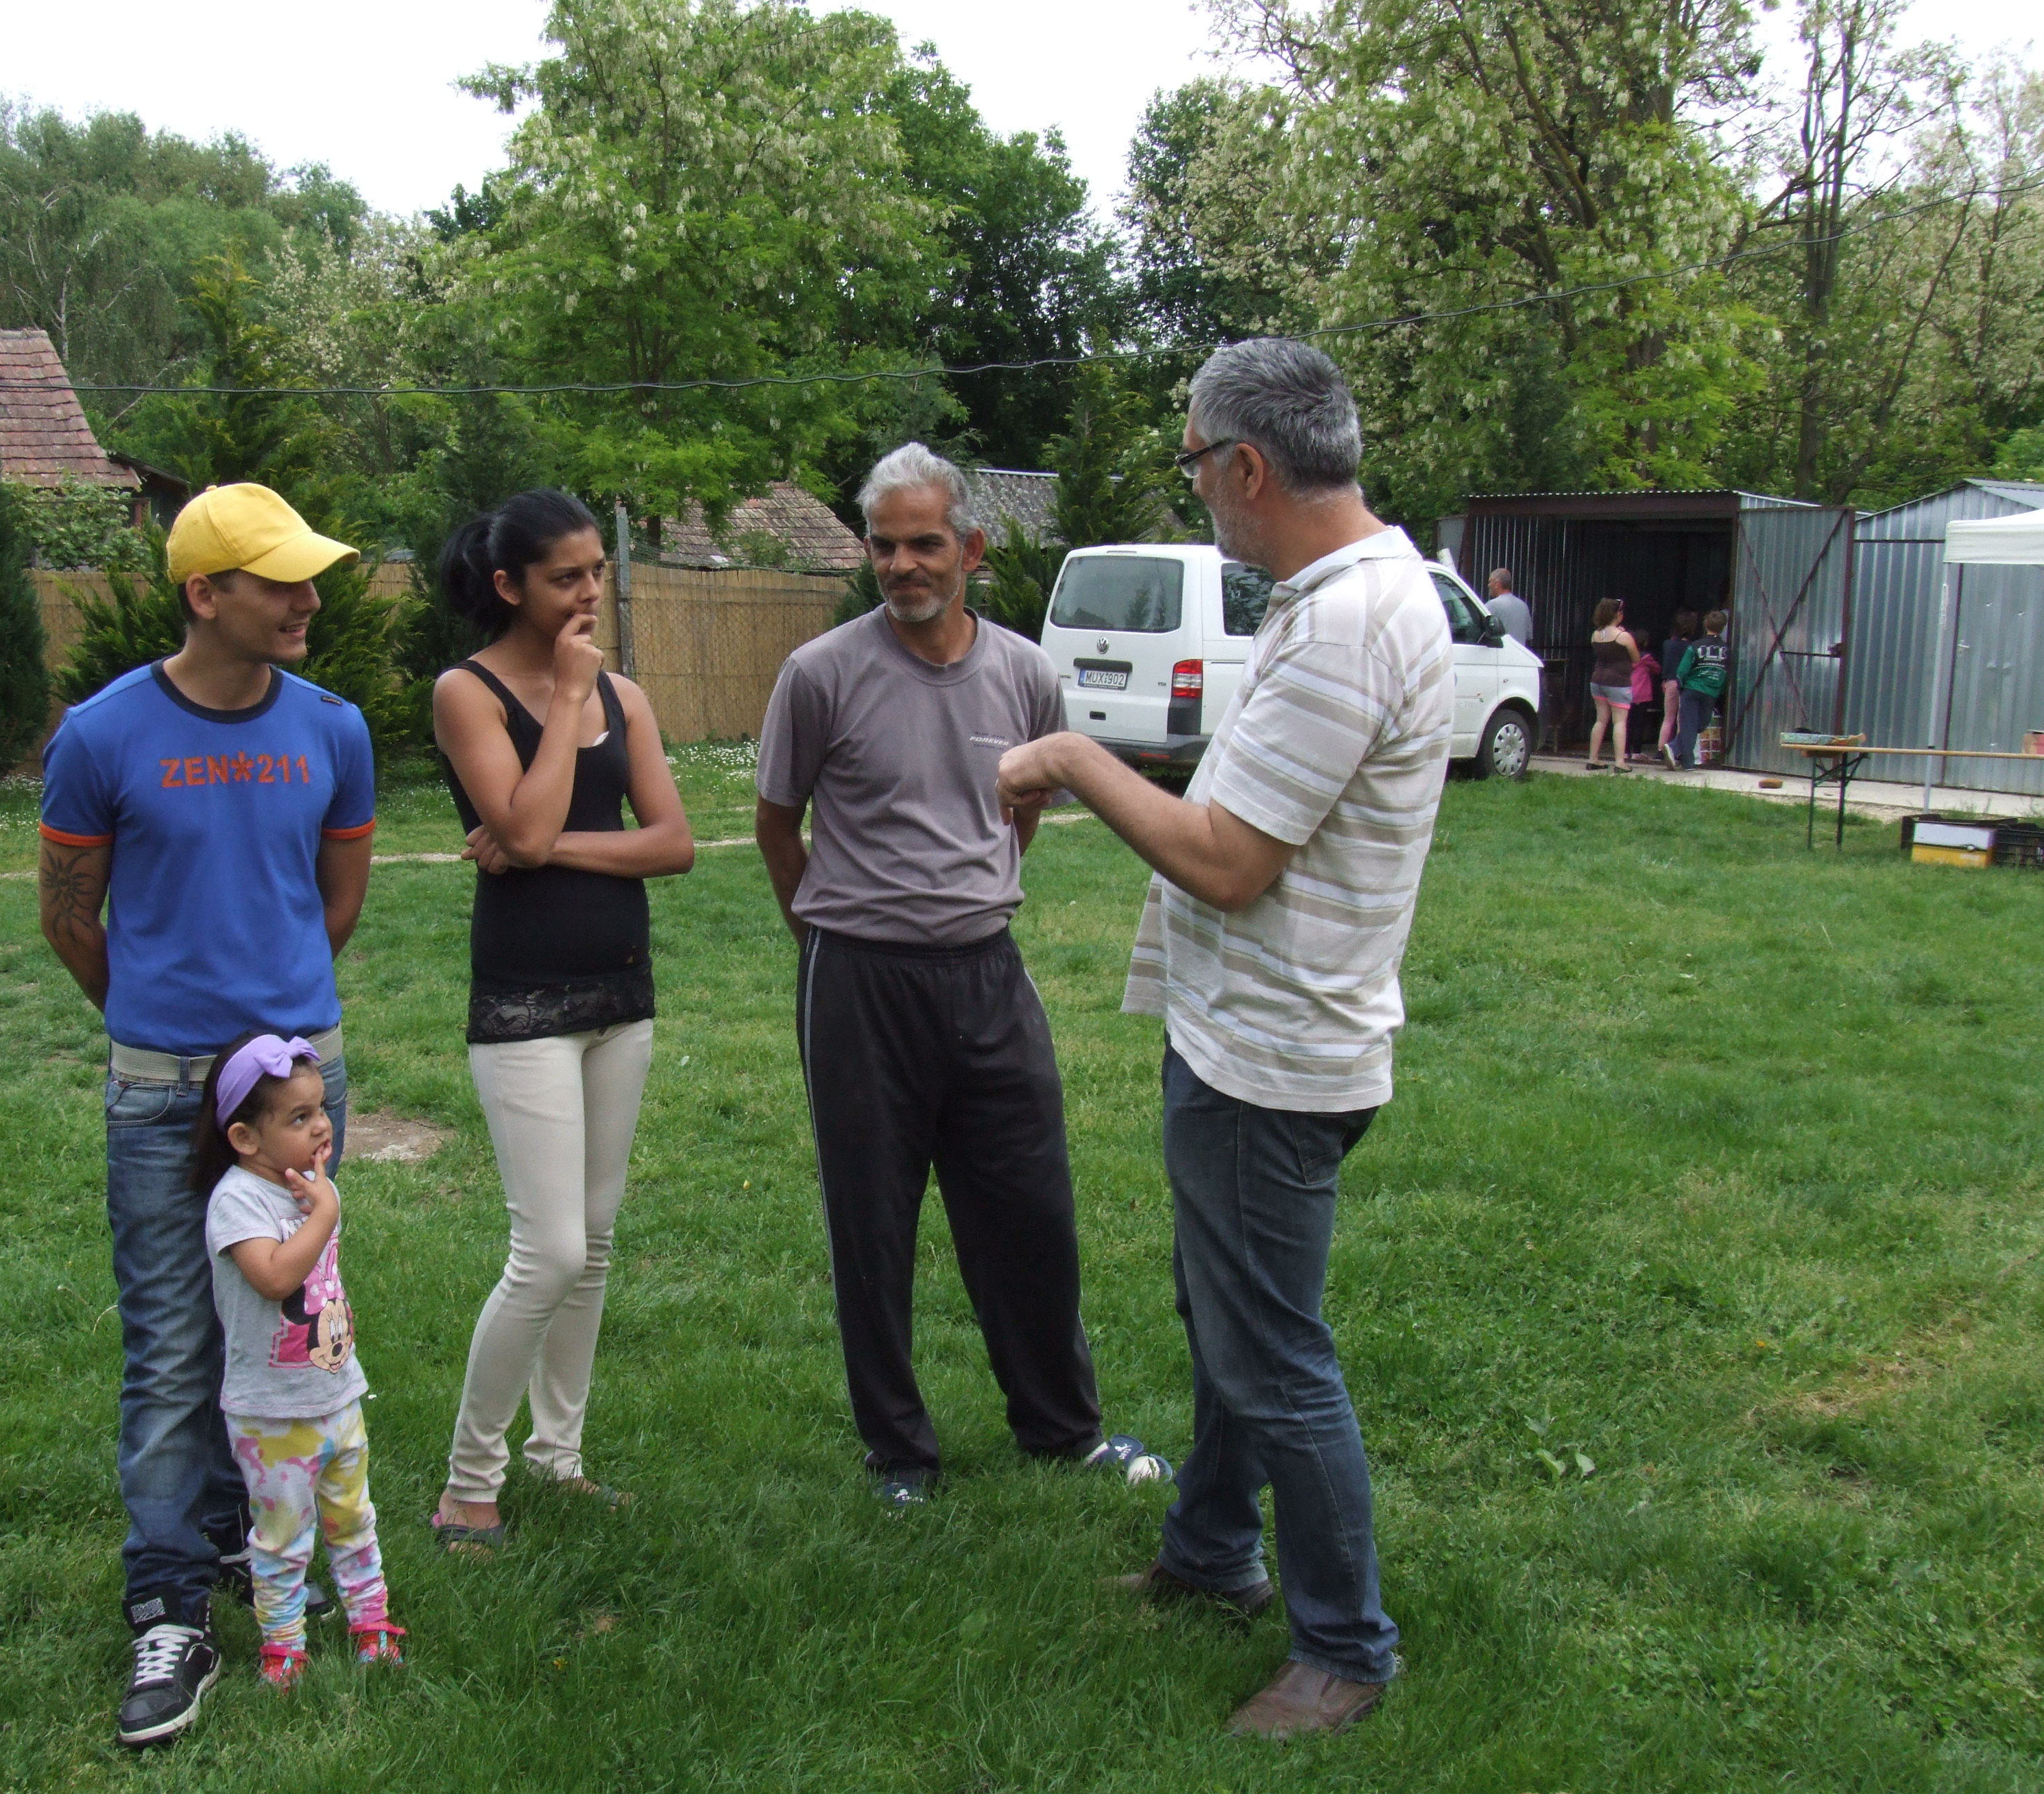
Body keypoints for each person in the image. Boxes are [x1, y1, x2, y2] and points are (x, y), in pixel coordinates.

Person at [996, 337, 1452, 1741]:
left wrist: (1074, 756)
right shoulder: (1343, 597)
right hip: (1252, 1037)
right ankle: (1207, 1553)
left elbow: (1228, 859)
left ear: (1246, 466)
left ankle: (1343, 1650)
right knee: (1230, 1326)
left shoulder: (1347, 621)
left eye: (1194, 461)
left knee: (1270, 1358)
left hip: (1274, 1057)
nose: (1193, 487)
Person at [753, 442, 1166, 1507]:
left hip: (987, 972)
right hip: (857, 981)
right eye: (884, 546)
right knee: (872, 1221)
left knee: (1030, 1206)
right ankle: (899, 1453)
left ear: (972, 550)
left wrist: (973, 893)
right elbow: (777, 822)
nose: (902, 566)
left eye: (925, 544)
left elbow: (1023, 812)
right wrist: (824, 934)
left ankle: (1062, 1429)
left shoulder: (1026, 673)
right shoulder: (820, 673)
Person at [38, 481, 375, 1748]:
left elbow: (336, 901)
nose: (307, 599)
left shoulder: (333, 728)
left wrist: (272, 1061)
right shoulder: (103, 734)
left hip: (298, 1088)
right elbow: (69, 915)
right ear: (205, 593)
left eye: (308, 576)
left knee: (286, 1324)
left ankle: (247, 1541)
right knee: (175, 1348)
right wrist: (159, 1030)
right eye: (280, 581)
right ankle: (170, 1604)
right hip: (160, 1088)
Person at [429, 490, 695, 1555]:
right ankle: (467, 1485)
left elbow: (671, 843)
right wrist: (569, 700)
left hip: (620, 994)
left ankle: (558, 1458)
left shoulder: (626, 697)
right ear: (509, 586)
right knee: (546, 1251)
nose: (590, 592)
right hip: (525, 1002)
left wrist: (544, 848)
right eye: (566, 577)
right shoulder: (470, 693)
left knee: (592, 1245)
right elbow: (529, 819)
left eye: (596, 571)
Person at [197, 1032, 402, 1687]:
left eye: (321, 1109)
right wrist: (326, 1212)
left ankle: (371, 1621)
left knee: (354, 1519)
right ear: (245, 1138)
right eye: (299, 1117)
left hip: (337, 1395)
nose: (321, 1126)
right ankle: (284, 1648)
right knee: (282, 1538)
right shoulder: (238, 1201)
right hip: (272, 1415)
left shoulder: (310, 1190)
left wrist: (321, 1203)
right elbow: (275, 1277)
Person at [1672, 608, 1730, 768]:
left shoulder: (1695, 646)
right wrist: (1720, 690)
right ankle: (1687, 762)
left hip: (1693, 690)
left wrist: (1681, 686)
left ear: (1705, 625)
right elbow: (1726, 672)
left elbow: (1682, 671)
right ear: (1723, 627)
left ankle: (1673, 747)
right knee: (1699, 724)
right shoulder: (1726, 650)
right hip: (1710, 693)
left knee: (1694, 725)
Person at [1586, 599, 1639, 771]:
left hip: (1597, 680)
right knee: (1620, 722)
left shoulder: (1595, 635)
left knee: (1600, 721)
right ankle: (1620, 762)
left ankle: (1593, 759)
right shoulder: (1623, 636)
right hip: (1618, 682)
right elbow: (1636, 658)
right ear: (1617, 614)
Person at [1657, 608, 1700, 769]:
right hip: (1685, 683)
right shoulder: (1692, 647)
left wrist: (1664, 679)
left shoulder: (1667, 644)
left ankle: (1660, 749)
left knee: (1668, 718)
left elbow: (1667, 664)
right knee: (1682, 719)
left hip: (1669, 682)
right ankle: (1678, 750)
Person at [1484, 567, 1530, 647]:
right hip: (1519, 653)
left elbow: (1479, 631)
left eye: (1490, 582)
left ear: (1497, 584)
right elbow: (1528, 635)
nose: (1488, 586)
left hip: (1499, 653)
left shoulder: (1492, 605)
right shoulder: (1524, 606)